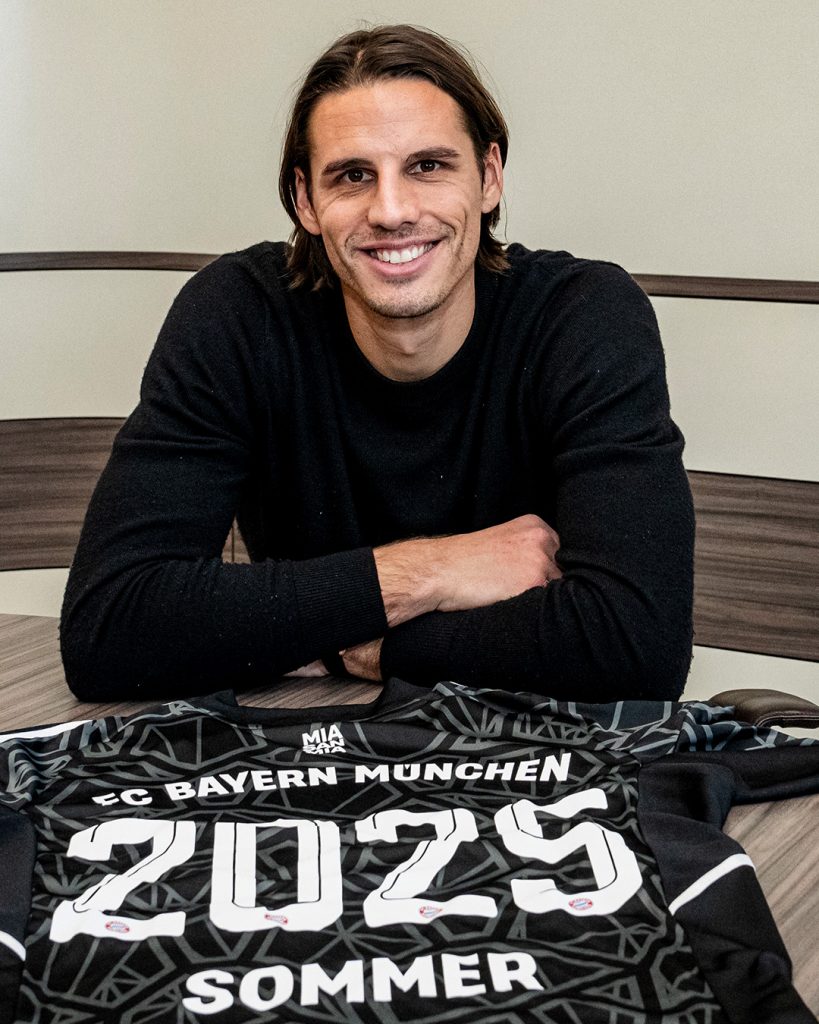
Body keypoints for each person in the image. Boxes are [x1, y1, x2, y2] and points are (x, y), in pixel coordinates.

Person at [61, 24, 695, 702]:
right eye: (353, 175)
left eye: (428, 166)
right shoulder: (240, 315)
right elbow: (110, 626)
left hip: (534, 750)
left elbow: (636, 645)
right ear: (305, 200)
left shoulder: (582, 315)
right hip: (304, 740)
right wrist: (430, 570)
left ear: (488, 177)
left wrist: (362, 646)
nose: (391, 211)